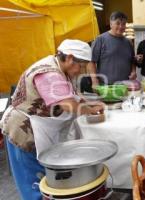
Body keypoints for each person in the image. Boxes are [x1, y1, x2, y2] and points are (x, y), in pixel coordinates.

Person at [0, 39, 104, 200]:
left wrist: (88, 103)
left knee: (46, 178)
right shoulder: (48, 73)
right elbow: (68, 104)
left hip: (39, 131)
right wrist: (89, 110)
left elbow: (73, 96)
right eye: (81, 66)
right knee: (32, 183)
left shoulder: (63, 70)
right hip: (22, 133)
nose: (81, 70)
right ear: (69, 58)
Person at [86, 11, 136, 89]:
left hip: (125, 86)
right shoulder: (100, 39)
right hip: (106, 86)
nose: (121, 26)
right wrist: (94, 80)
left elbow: (132, 61)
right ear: (111, 24)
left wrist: (133, 71)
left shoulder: (128, 42)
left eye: (123, 24)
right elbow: (91, 61)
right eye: (118, 23)